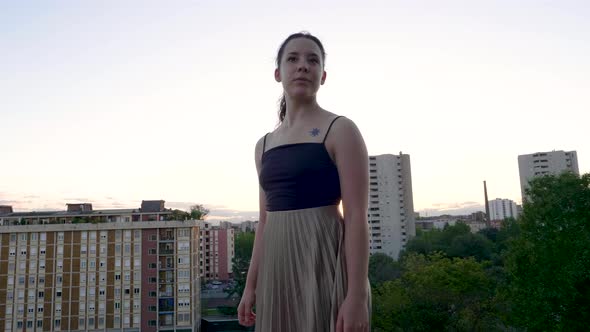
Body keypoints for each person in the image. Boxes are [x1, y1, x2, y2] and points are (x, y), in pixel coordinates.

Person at [238, 32, 371, 332]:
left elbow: (356, 219)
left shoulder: (340, 130)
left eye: (313, 60)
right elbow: (263, 222)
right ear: (278, 73)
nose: (303, 66)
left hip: (322, 262)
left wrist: (356, 295)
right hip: (277, 269)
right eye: (293, 59)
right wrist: (251, 286)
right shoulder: (263, 146)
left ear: (322, 76)